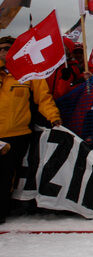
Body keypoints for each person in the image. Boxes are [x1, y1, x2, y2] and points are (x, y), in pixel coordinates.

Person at [0, 36, 62, 223]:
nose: (4, 52)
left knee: (5, 175)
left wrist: (54, 117)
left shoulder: (29, 74)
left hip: (15, 135)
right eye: (1, 48)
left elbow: (43, 98)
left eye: (8, 49)